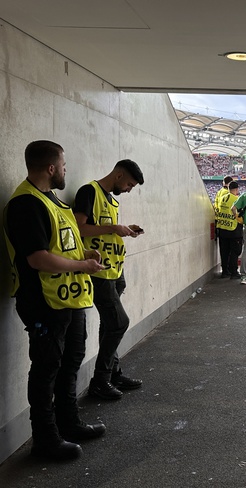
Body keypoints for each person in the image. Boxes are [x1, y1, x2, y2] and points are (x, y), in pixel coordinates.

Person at [4, 140, 106, 460]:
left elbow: (59, 247)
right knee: (46, 368)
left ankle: (68, 422)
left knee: (70, 361)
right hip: (43, 304)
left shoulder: (50, 199)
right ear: (51, 168)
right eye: (63, 165)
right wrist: (84, 266)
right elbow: (38, 259)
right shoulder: (25, 204)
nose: (65, 170)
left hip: (68, 301)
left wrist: (83, 254)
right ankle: (45, 439)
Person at [74, 159, 145, 400]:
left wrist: (124, 229)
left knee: (110, 323)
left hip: (114, 270)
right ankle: (101, 380)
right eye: (129, 184)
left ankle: (113, 373)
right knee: (118, 323)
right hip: (98, 272)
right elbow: (79, 228)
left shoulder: (111, 199)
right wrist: (114, 228)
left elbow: (106, 228)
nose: (129, 189)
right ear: (118, 175)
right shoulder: (89, 192)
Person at [215, 180, 243, 279]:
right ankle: (234, 272)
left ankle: (225, 271)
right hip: (233, 229)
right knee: (235, 251)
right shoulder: (237, 199)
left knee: (224, 251)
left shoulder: (221, 198)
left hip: (222, 228)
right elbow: (240, 214)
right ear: (236, 189)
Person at [213, 176, 234, 276]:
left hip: (220, 223)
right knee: (229, 249)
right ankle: (228, 270)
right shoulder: (228, 194)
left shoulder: (219, 192)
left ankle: (224, 269)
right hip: (229, 225)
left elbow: (216, 206)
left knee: (223, 249)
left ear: (223, 182)